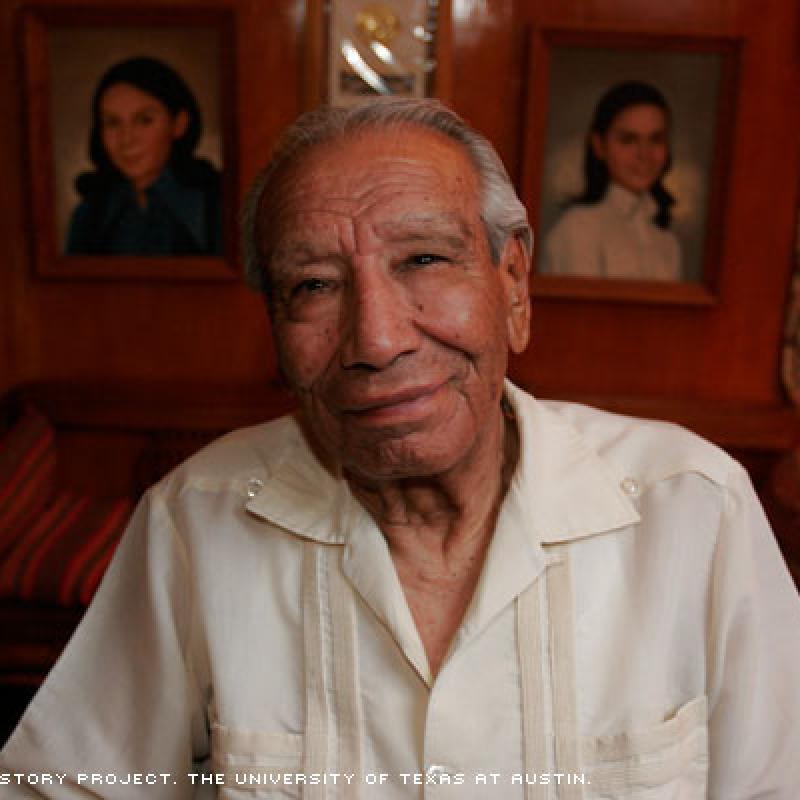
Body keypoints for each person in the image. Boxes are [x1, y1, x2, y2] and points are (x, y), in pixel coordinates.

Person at [3, 99, 799, 798]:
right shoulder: (195, 521)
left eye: (423, 259)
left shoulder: (693, 509)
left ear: (514, 283)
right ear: (276, 331)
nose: (377, 340)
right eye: (314, 285)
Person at [66, 56, 223, 256]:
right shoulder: (90, 213)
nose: (126, 139)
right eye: (113, 123)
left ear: (179, 124)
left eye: (144, 120)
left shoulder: (214, 206)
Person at [541, 81, 681, 280]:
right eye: (628, 140)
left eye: (655, 139)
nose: (644, 154)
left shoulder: (667, 242)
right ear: (599, 145)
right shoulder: (578, 228)